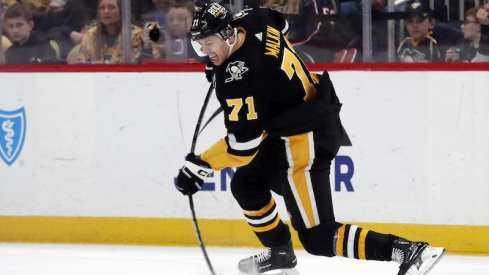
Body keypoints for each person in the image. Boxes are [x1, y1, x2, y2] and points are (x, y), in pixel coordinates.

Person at [175, 2, 446, 275]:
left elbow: (243, 147)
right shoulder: (253, 17)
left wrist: (200, 165)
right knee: (247, 185)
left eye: (208, 43)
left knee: (317, 235)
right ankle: (280, 252)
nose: (205, 52)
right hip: (297, 119)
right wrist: (229, 62)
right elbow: (282, 25)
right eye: (200, 46)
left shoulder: (242, 78)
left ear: (228, 35)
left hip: (304, 137)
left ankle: (408, 250)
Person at [78, 0, 145, 64]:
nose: (106, 11)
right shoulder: (89, 36)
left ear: (122, 11)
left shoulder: (136, 36)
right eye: (102, 8)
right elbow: (82, 68)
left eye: (112, 7)